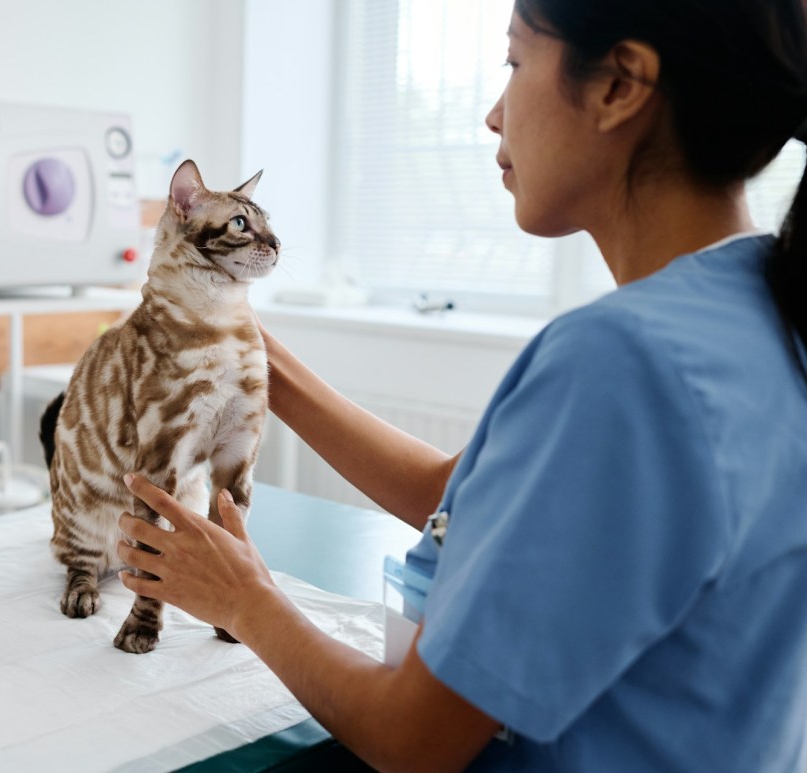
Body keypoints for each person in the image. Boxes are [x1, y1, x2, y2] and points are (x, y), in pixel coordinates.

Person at [117, 0, 807, 769]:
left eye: (514, 63)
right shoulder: (758, 308)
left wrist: (243, 597)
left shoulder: (622, 362)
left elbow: (413, 739)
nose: (491, 115)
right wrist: (257, 358)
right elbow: (474, 496)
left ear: (619, 85)